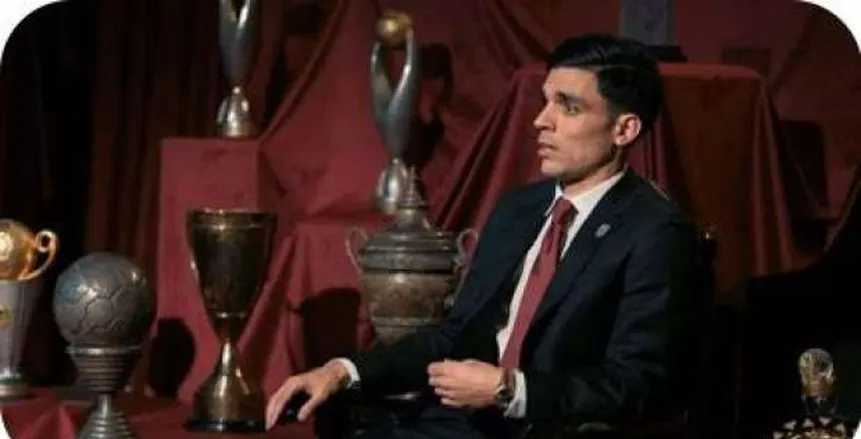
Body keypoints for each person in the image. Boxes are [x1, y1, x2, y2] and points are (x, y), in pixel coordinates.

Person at [266, 33, 704, 439]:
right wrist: (342, 371)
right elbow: (453, 336)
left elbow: (639, 384)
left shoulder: (656, 232)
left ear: (624, 129)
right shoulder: (519, 209)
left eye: (568, 107)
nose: (541, 121)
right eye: (545, 101)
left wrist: (509, 389)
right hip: (459, 425)